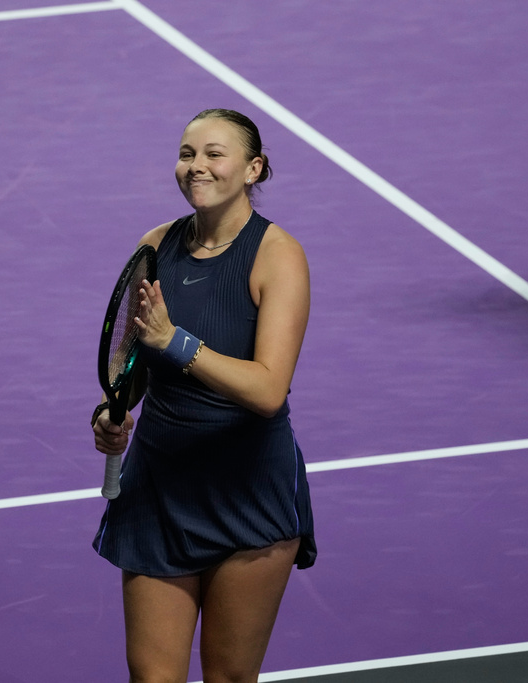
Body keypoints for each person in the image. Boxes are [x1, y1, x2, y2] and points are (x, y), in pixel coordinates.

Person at [90, 108, 316, 683]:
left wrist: (176, 340)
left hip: (246, 490)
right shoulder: (155, 247)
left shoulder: (278, 255)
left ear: (253, 168)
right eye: (188, 154)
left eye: (215, 154)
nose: (197, 167)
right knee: (153, 676)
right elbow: (132, 362)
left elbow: (267, 389)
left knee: (228, 677)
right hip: (159, 486)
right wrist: (111, 413)